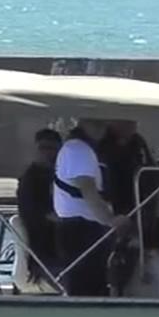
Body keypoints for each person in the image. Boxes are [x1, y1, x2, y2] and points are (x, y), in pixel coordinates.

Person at [53, 119, 128, 296]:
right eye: (96, 123)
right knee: (86, 287)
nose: (101, 129)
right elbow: (89, 192)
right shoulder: (78, 149)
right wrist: (111, 221)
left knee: (93, 283)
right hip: (80, 231)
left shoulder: (81, 149)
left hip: (81, 229)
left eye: (102, 124)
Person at [15, 128, 62, 282]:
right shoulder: (30, 180)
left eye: (53, 148)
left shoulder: (60, 176)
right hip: (43, 254)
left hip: (64, 247)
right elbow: (34, 214)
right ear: (35, 150)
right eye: (43, 148)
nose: (48, 153)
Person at [96, 120, 156, 219]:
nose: (133, 125)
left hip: (138, 198)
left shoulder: (138, 141)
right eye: (128, 122)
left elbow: (149, 166)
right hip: (114, 198)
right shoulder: (102, 142)